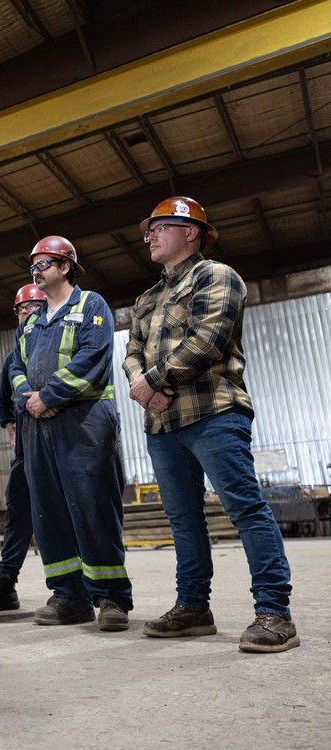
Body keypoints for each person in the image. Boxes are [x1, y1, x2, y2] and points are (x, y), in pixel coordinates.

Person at [124, 196, 298, 653]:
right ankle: (193, 608)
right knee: (183, 520)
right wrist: (142, 385)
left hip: (214, 412)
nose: (150, 236)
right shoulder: (146, 298)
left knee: (245, 510)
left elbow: (209, 338)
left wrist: (152, 381)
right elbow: (132, 352)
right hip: (163, 422)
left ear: (191, 232)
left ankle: (275, 613)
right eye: (149, 229)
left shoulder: (217, 276)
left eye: (160, 227)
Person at [8, 236, 131, 631]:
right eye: (33, 266)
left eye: (43, 263)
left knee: (93, 508)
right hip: (37, 426)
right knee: (48, 511)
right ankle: (69, 597)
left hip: (84, 422)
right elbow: (15, 368)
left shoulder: (90, 306)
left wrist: (49, 396)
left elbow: (92, 358)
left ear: (65, 267)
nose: (36, 271)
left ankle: (111, 597)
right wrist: (29, 399)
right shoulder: (31, 322)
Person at [0, 284, 47, 610]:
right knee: (18, 513)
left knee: (63, 513)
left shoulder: (54, 347)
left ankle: (79, 585)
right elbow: (3, 398)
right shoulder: (14, 358)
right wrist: (10, 425)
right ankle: (7, 580)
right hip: (25, 446)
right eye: (21, 309)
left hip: (58, 442)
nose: (25, 313)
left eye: (32, 307)